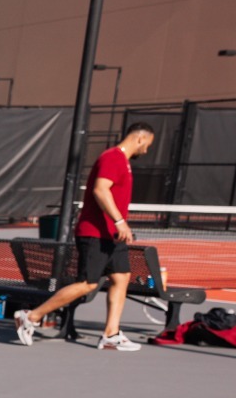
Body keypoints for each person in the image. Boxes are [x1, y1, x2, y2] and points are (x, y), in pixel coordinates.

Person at [15, 122, 156, 352]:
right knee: (87, 284)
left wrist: (118, 226)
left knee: (121, 277)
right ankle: (31, 316)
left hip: (112, 237)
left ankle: (111, 334)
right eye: (147, 145)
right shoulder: (112, 157)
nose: (146, 150)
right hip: (95, 234)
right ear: (139, 139)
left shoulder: (123, 162)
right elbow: (100, 189)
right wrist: (119, 221)